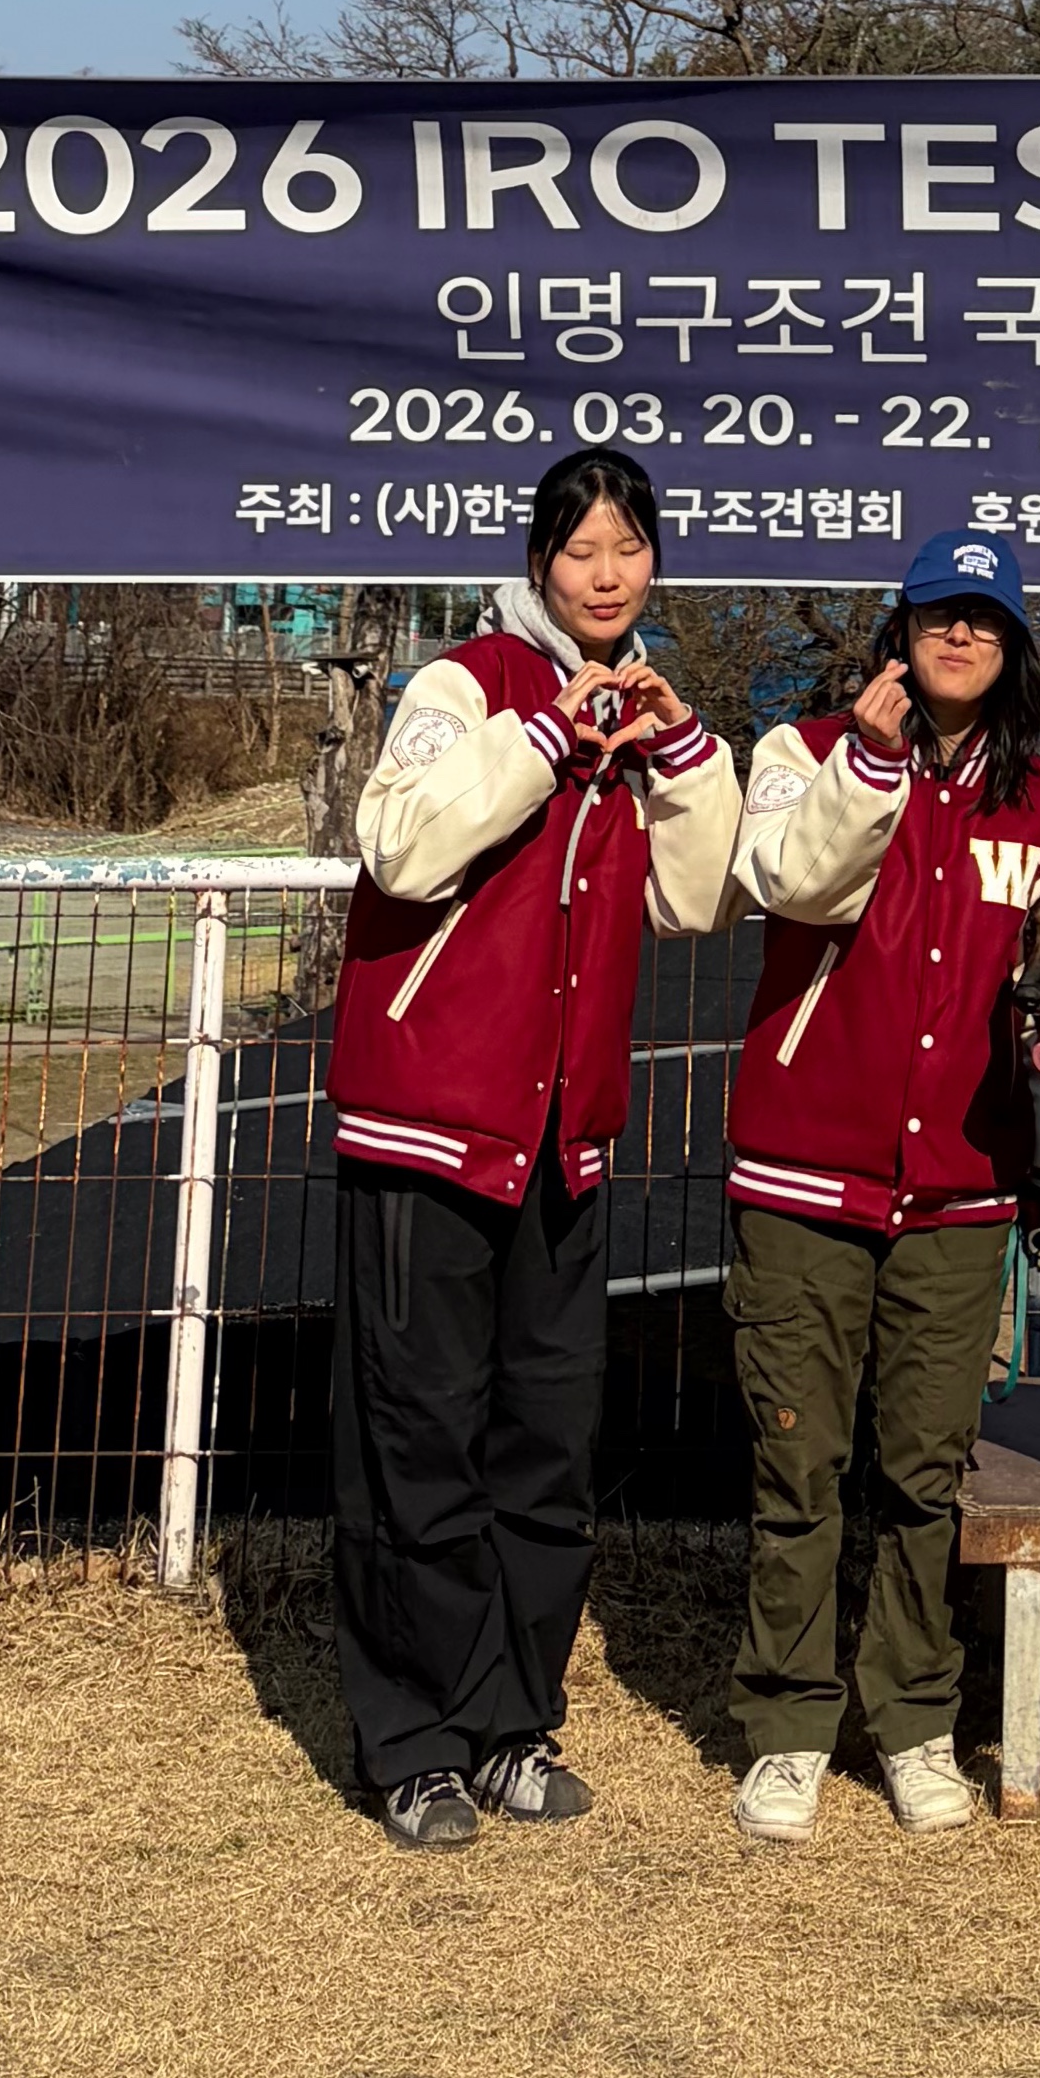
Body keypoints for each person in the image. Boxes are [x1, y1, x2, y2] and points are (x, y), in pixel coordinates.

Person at [325, 447, 742, 1849]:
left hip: (565, 1144)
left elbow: (694, 900)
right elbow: (400, 846)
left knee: (545, 1449)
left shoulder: (639, 721)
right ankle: (413, 1738)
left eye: (631, 548)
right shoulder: (465, 687)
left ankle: (512, 1720)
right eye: (582, 549)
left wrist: (676, 752)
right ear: (539, 566)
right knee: (415, 1441)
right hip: (430, 1122)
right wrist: (548, 737)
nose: (609, 573)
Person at [719, 530, 1040, 1845]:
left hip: (962, 1182)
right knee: (797, 1467)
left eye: (985, 619)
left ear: (1012, 646)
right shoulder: (799, 752)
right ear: (900, 625)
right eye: (939, 611)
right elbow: (790, 881)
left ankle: (917, 1719)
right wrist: (871, 766)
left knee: (924, 1475)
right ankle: (784, 1724)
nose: (960, 636)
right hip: (801, 1172)